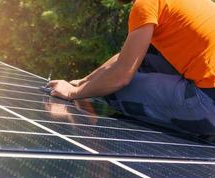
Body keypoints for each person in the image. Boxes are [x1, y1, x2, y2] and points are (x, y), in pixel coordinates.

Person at [47, 0, 215, 135]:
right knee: (145, 58)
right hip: (208, 88)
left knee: (111, 91)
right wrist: (85, 81)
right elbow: (126, 57)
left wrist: (73, 93)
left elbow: (120, 76)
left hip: (208, 103)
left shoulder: (146, 4)